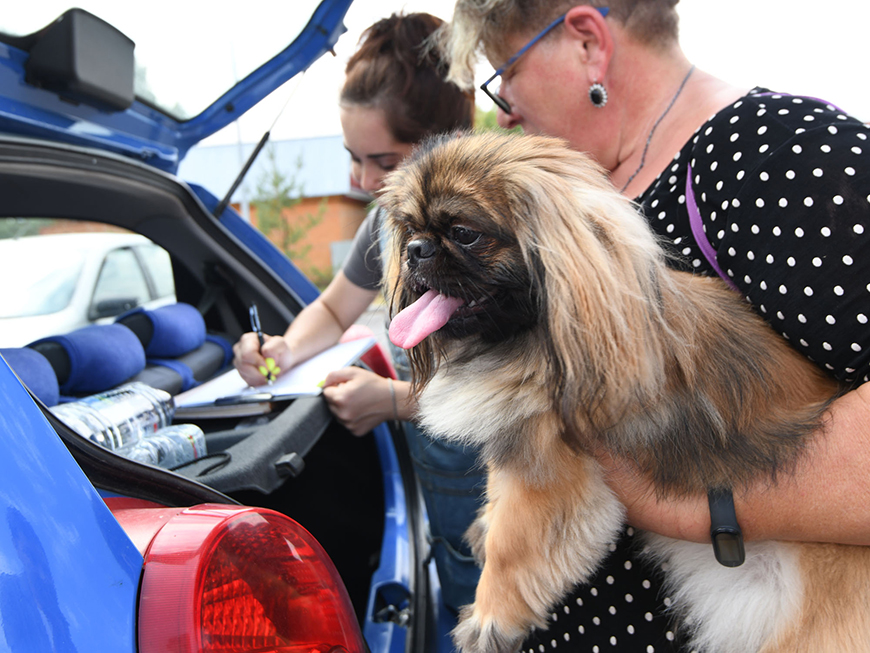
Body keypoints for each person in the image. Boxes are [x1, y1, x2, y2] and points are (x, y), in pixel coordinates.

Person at [442, 1, 870, 650]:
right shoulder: (593, 190)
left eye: (504, 75)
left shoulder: (777, 155)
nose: (502, 110)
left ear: (587, 42)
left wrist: (702, 505)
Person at [232, 12, 484, 616]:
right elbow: (332, 306)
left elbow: (526, 390)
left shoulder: (486, 231)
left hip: (504, 488)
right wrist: (285, 349)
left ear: (451, 141)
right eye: (354, 158)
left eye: (386, 162)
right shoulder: (385, 218)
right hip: (444, 495)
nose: (365, 181)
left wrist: (392, 401)